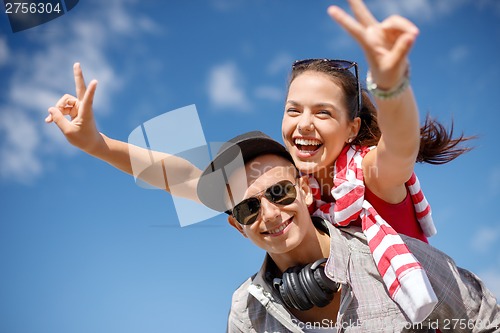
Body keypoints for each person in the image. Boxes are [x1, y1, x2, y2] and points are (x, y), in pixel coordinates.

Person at [45, 0, 471, 323]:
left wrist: (393, 84)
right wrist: (97, 144)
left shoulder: (371, 176)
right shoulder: (289, 182)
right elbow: (184, 176)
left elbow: (400, 144)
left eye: (323, 113)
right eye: (293, 110)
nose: (304, 124)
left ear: (352, 128)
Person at [196, 130, 499, 333]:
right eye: (248, 209)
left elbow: (486, 320)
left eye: (279, 192)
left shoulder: (388, 258)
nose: (271, 213)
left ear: (303, 191)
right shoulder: (246, 312)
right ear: (238, 225)